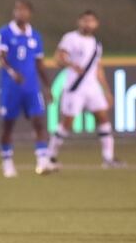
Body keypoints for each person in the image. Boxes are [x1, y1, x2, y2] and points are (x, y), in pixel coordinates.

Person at [49, 10, 123, 169]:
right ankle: (51, 156)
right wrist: (71, 65)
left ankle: (108, 158)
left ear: (96, 24)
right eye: (85, 20)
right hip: (75, 87)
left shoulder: (96, 44)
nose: (87, 23)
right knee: (67, 122)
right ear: (79, 22)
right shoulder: (71, 38)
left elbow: (98, 69)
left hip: (92, 88)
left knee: (103, 118)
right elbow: (58, 58)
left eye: (91, 21)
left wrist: (107, 91)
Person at [0, 0, 53, 178]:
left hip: (31, 88)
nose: (21, 13)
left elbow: (40, 64)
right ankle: (7, 163)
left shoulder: (35, 36)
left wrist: (47, 86)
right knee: (8, 126)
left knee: (39, 122)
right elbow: (1, 57)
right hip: (12, 88)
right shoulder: (4, 33)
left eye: (24, 10)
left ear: (30, 13)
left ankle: (42, 161)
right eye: (18, 10)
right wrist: (13, 72)